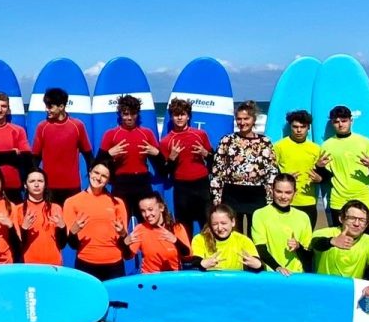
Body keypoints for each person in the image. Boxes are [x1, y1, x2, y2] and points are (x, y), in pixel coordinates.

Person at [210, 101, 276, 235]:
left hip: (257, 194)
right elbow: (217, 171)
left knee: (256, 234)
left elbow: (272, 172)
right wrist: (217, 198)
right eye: (239, 119)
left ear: (254, 120)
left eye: (246, 118)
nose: (242, 122)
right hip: (232, 193)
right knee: (235, 234)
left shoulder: (265, 142)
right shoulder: (227, 140)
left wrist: (270, 199)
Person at [314, 105, 369, 226]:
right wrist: (319, 167)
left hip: (363, 198)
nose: (340, 124)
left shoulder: (365, 142)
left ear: (351, 120)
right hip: (338, 200)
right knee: (341, 235)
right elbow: (325, 178)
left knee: (366, 235)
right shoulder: (326, 146)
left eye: (344, 121)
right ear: (332, 123)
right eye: (336, 122)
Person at [99, 94, 163, 220]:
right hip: (121, 183)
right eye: (125, 114)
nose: (129, 118)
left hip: (142, 182)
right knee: (119, 223)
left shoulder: (147, 134)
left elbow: (162, 168)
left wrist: (157, 154)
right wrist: (109, 154)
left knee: (148, 223)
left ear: (137, 114)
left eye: (133, 114)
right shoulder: (111, 135)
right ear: (120, 114)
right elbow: (97, 164)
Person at [62, 162, 130, 280]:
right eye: (96, 173)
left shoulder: (118, 203)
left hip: (114, 265)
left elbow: (123, 242)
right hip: (85, 263)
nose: (98, 178)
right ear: (89, 172)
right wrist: (73, 232)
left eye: (104, 176)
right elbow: (73, 245)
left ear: (108, 180)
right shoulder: (71, 202)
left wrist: (123, 234)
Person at [308, 201, 369, 301]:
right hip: (321, 290)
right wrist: (331, 241)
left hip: (351, 294)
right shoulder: (324, 233)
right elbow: (316, 243)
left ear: (367, 224)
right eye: (352, 218)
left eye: (362, 220)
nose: (356, 224)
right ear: (341, 218)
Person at [159, 98, 213, 234]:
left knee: (207, 223)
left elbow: (214, 161)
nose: (179, 118)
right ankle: (187, 249)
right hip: (182, 187)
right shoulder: (166, 141)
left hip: (202, 185)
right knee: (184, 226)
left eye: (182, 114)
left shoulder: (200, 134)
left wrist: (205, 153)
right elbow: (164, 172)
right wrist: (172, 158)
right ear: (171, 117)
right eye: (176, 115)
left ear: (188, 116)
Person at [32, 87, 94, 206]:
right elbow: (35, 159)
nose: (46, 110)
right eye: (46, 106)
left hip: (72, 187)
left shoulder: (77, 126)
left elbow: (89, 157)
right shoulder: (42, 127)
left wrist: (92, 184)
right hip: (49, 187)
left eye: (50, 107)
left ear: (61, 107)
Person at [250, 173, 314, 276]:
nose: (283, 196)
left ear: (295, 193)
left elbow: (309, 255)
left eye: (288, 192)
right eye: (279, 191)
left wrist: (299, 247)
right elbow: (260, 249)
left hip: (296, 275)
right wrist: (277, 267)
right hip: (271, 274)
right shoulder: (260, 214)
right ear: (272, 191)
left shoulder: (303, 217)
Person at [272, 109, 323, 228]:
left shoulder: (316, 149)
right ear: (290, 126)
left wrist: (319, 178)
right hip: (284, 199)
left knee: (306, 237)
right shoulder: (279, 146)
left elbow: (323, 175)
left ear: (308, 128)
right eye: (295, 127)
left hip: (308, 200)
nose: (299, 130)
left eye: (303, 127)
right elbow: (270, 173)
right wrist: (285, 178)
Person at [125, 192, 199, 273]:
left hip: (173, 276)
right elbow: (128, 256)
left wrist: (175, 241)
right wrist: (124, 243)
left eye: (150, 209)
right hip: (150, 277)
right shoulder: (140, 229)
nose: (147, 214)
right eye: (143, 211)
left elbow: (187, 255)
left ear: (161, 208)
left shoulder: (177, 228)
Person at [12, 168, 67, 266]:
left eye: (40, 181)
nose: (36, 184)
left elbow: (62, 244)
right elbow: (16, 247)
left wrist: (62, 227)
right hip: (28, 265)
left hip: (53, 264)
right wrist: (24, 228)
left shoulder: (56, 208)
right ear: (25, 185)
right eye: (32, 181)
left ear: (45, 185)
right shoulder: (17, 210)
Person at [191, 204, 263, 272]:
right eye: (215, 224)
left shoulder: (243, 240)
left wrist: (257, 265)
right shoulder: (199, 239)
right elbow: (194, 263)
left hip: (233, 280)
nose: (220, 228)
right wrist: (202, 264)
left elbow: (259, 264)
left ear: (233, 222)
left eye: (223, 223)